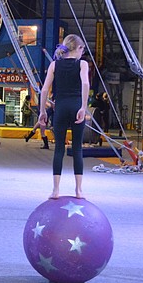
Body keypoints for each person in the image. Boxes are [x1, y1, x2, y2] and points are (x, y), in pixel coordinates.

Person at [38, 34, 90, 199]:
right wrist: (83, 107)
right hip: (76, 107)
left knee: (59, 149)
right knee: (77, 148)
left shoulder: (55, 64)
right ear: (79, 48)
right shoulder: (82, 64)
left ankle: (55, 190)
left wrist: (42, 111)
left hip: (60, 107)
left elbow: (45, 89)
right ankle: (79, 190)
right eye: (82, 49)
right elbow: (86, 84)